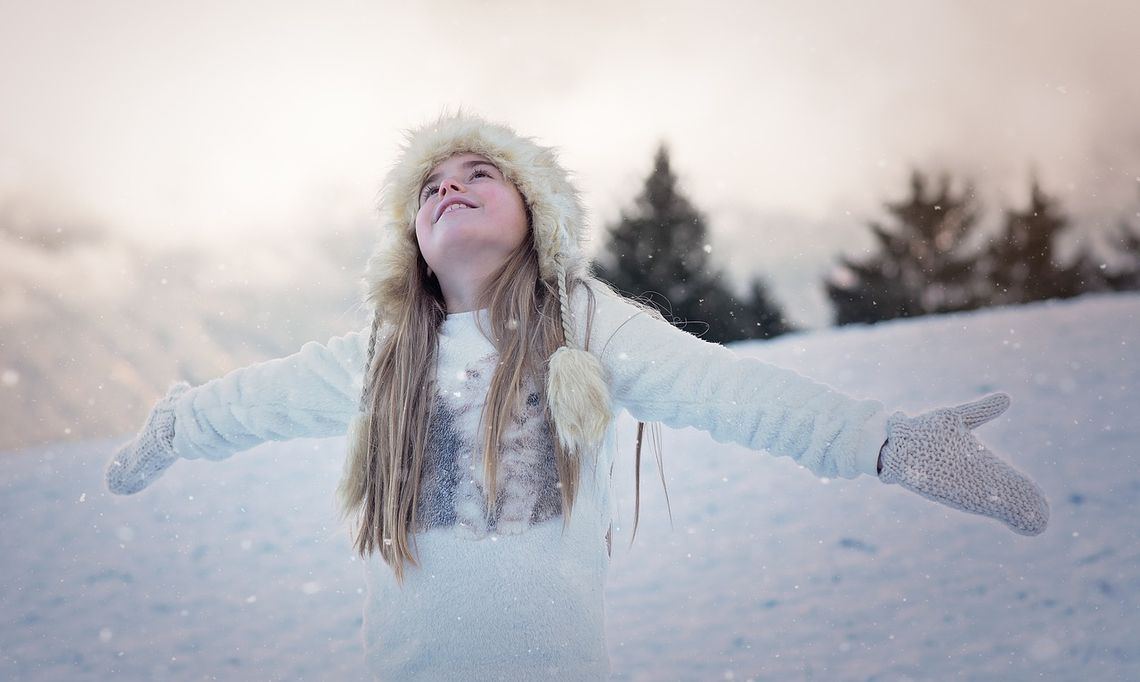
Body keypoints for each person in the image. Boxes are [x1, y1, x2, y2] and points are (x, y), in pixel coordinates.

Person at [105, 113, 1049, 681]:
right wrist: (178, 423)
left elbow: (724, 390)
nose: (451, 188)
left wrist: (883, 441)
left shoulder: (586, 325)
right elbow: (257, 400)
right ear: (411, 239)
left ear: (537, 217)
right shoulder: (385, 358)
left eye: (481, 174)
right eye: (430, 185)